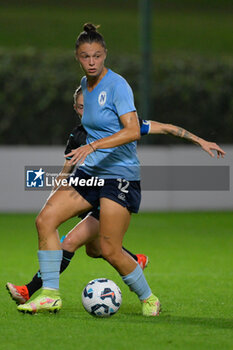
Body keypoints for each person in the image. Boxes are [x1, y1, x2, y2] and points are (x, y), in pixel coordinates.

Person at [7, 81, 225, 307]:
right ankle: (134, 260)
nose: (85, 112)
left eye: (88, 106)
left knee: (77, 244)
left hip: (116, 189)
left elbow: (167, 128)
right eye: (80, 108)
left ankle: (32, 290)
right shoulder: (79, 135)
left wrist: (200, 141)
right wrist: (54, 196)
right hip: (88, 188)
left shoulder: (122, 126)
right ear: (75, 109)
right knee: (92, 249)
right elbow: (67, 169)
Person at [14, 23, 161, 316]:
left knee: (108, 250)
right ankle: (50, 294)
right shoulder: (84, 85)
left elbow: (132, 131)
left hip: (120, 177)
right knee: (45, 220)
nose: (91, 62)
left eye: (96, 55)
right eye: (85, 56)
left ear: (105, 54)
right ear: (77, 57)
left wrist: (93, 147)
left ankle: (148, 298)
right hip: (91, 174)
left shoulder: (118, 86)